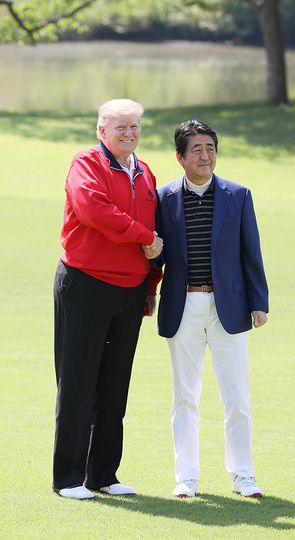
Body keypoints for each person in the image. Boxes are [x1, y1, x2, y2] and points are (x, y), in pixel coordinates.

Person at [53, 99, 163, 500]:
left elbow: (158, 229)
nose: (129, 134)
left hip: (130, 291)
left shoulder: (145, 172)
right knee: (78, 381)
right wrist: (144, 237)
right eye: (120, 127)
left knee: (115, 385)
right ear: (102, 131)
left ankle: (102, 475)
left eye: (134, 127)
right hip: (86, 284)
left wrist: (151, 285)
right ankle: (67, 477)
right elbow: (94, 210)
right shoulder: (86, 164)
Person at [153, 119, 268, 498]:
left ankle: (243, 475)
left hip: (229, 307)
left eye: (210, 148)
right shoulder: (163, 198)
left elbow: (251, 252)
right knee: (185, 396)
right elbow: (157, 256)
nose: (205, 155)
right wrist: (147, 288)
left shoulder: (238, 195)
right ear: (180, 157)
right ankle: (186, 477)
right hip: (182, 304)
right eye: (197, 149)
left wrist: (259, 303)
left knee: (236, 396)